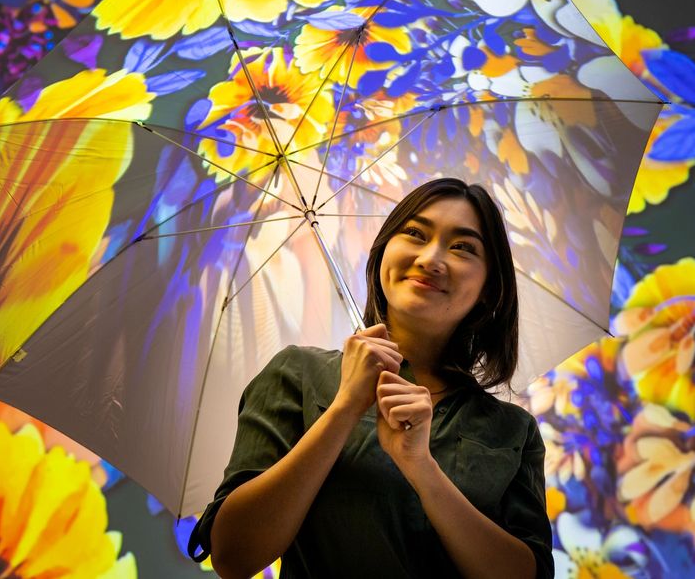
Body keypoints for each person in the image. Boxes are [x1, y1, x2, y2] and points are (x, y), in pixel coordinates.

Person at [188, 178, 553, 578]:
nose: (432, 259)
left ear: (489, 288)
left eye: (463, 247)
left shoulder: (512, 431)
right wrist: (344, 408)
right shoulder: (298, 375)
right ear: (383, 254)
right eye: (415, 233)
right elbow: (233, 556)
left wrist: (421, 467)